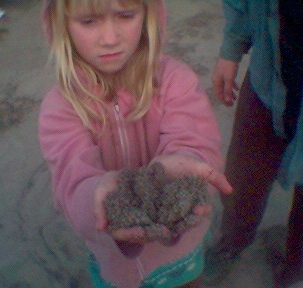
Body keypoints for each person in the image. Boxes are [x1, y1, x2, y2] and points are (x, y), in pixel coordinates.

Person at [39, 0, 232, 287]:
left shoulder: (175, 80)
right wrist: (96, 196)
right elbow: (72, 183)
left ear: (149, 14)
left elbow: (193, 139)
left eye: (126, 15)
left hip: (180, 247)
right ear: (61, 24)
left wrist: (186, 159)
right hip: (116, 258)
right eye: (89, 22)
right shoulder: (60, 108)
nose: (110, 38)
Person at [206, 0, 303, 287]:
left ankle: (295, 268)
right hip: (269, 75)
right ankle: (232, 243)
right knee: (242, 177)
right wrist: (232, 46)